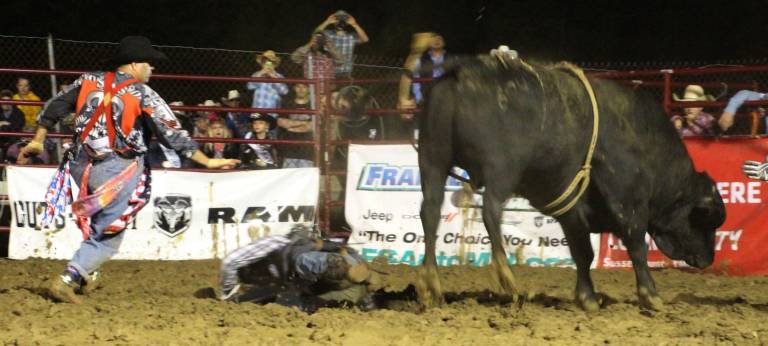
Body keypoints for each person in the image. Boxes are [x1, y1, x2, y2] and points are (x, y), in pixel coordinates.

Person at [17, 36, 240, 304]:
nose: (152, 69)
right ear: (134, 64)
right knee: (109, 234)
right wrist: (207, 161)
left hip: (80, 163)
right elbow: (171, 131)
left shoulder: (87, 80)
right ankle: (69, 278)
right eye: (149, 63)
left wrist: (39, 138)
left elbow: (55, 106)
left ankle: (89, 272)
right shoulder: (143, 93)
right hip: (117, 168)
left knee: (101, 221)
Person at [219, 225, 378, 311]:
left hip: (337, 266)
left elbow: (230, 261)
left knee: (300, 260)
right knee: (294, 302)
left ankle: (339, 267)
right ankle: (368, 300)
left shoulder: (279, 244)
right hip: (343, 283)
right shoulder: (275, 279)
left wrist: (228, 294)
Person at [397, 33, 450, 139]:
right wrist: (419, 98)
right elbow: (415, 80)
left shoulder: (451, 58)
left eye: (439, 38)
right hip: (427, 96)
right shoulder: (420, 60)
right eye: (434, 38)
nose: (436, 40)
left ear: (444, 43)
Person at [291, 31, 342, 110]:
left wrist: (328, 45)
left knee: (328, 115)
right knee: (314, 115)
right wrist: (310, 43)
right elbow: (294, 57)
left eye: (320, 39)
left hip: (328, 92)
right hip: (311, 92)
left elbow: (341, 60)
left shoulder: (330, 54)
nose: (318, 41)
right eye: (316, 39)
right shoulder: (307, 54)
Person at [316, 10, 369, 79]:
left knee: (346, 89)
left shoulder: (351, 36)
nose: (340, 22)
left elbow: (365, 39)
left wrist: (355, 25)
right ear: (334, 22)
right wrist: (327, 22)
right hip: (329, 72)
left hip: (346, 73)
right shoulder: (327, 34)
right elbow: (315, 34)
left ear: (347, 23)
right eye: (337, 20)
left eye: (343, 20)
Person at [278, 83, 315, 168]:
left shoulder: (313, 105)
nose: (301, 89)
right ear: (294, 88)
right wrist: (304, 123)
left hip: (307, 149)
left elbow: (312, 126)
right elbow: (281, 122)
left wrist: (291, 126)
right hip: (289, 149)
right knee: (289, 177)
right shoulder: (287, 104)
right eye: (298, 86)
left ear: (309, 89)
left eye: (304, 87)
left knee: (305, 177)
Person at [246, 50, 289, 123]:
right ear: (262, 64)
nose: (268, 64)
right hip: (256, 113)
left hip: (271, 114)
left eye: (270, 62)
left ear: (274, 64)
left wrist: (274, 78)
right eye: (265, 62)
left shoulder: (279, 76)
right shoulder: (257, 74)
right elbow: (250, 86)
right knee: (256, 131)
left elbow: (284, 91)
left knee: (271, 132)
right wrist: (261, 73)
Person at [0, 89, 26, 160]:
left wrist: (4, 125)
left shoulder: (19, 113)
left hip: (13, 141)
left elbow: (16, 130)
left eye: (8, 101)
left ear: (11, 102)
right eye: (3, 101)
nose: (5, 103)